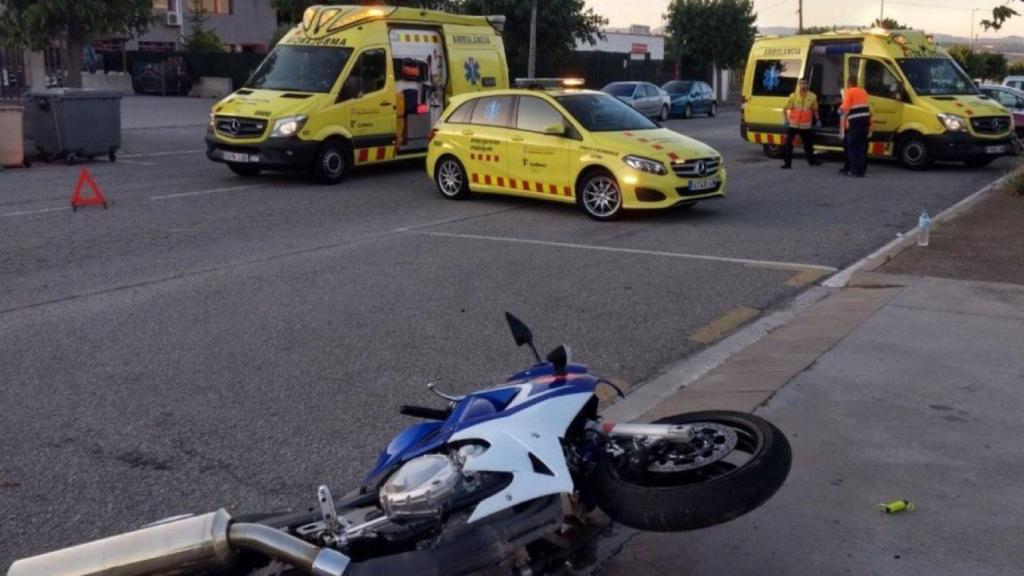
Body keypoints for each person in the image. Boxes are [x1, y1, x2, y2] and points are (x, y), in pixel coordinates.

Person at [781, 78, 822, 169]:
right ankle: (787, 163)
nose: (803, 85)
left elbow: (815, 110)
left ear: (807, 85)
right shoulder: (793, 96)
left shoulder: (812, 96)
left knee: (808, 145)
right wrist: (786, 120)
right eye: (801, 83)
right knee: (788, 144)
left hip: (805, 126)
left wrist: (818, 120)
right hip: (793, 125)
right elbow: (785, 109)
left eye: (805, 83)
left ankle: (812, 161)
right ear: (799, 85)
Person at [840, 77, 872, 177]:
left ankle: (853, 171)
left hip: (855, 123)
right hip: (865, 122)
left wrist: (839, 110)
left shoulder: (850, 92)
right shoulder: (864, 91)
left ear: (849, 83)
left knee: (852, 147)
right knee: (861, 148)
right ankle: (861, 171)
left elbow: (845, 106)